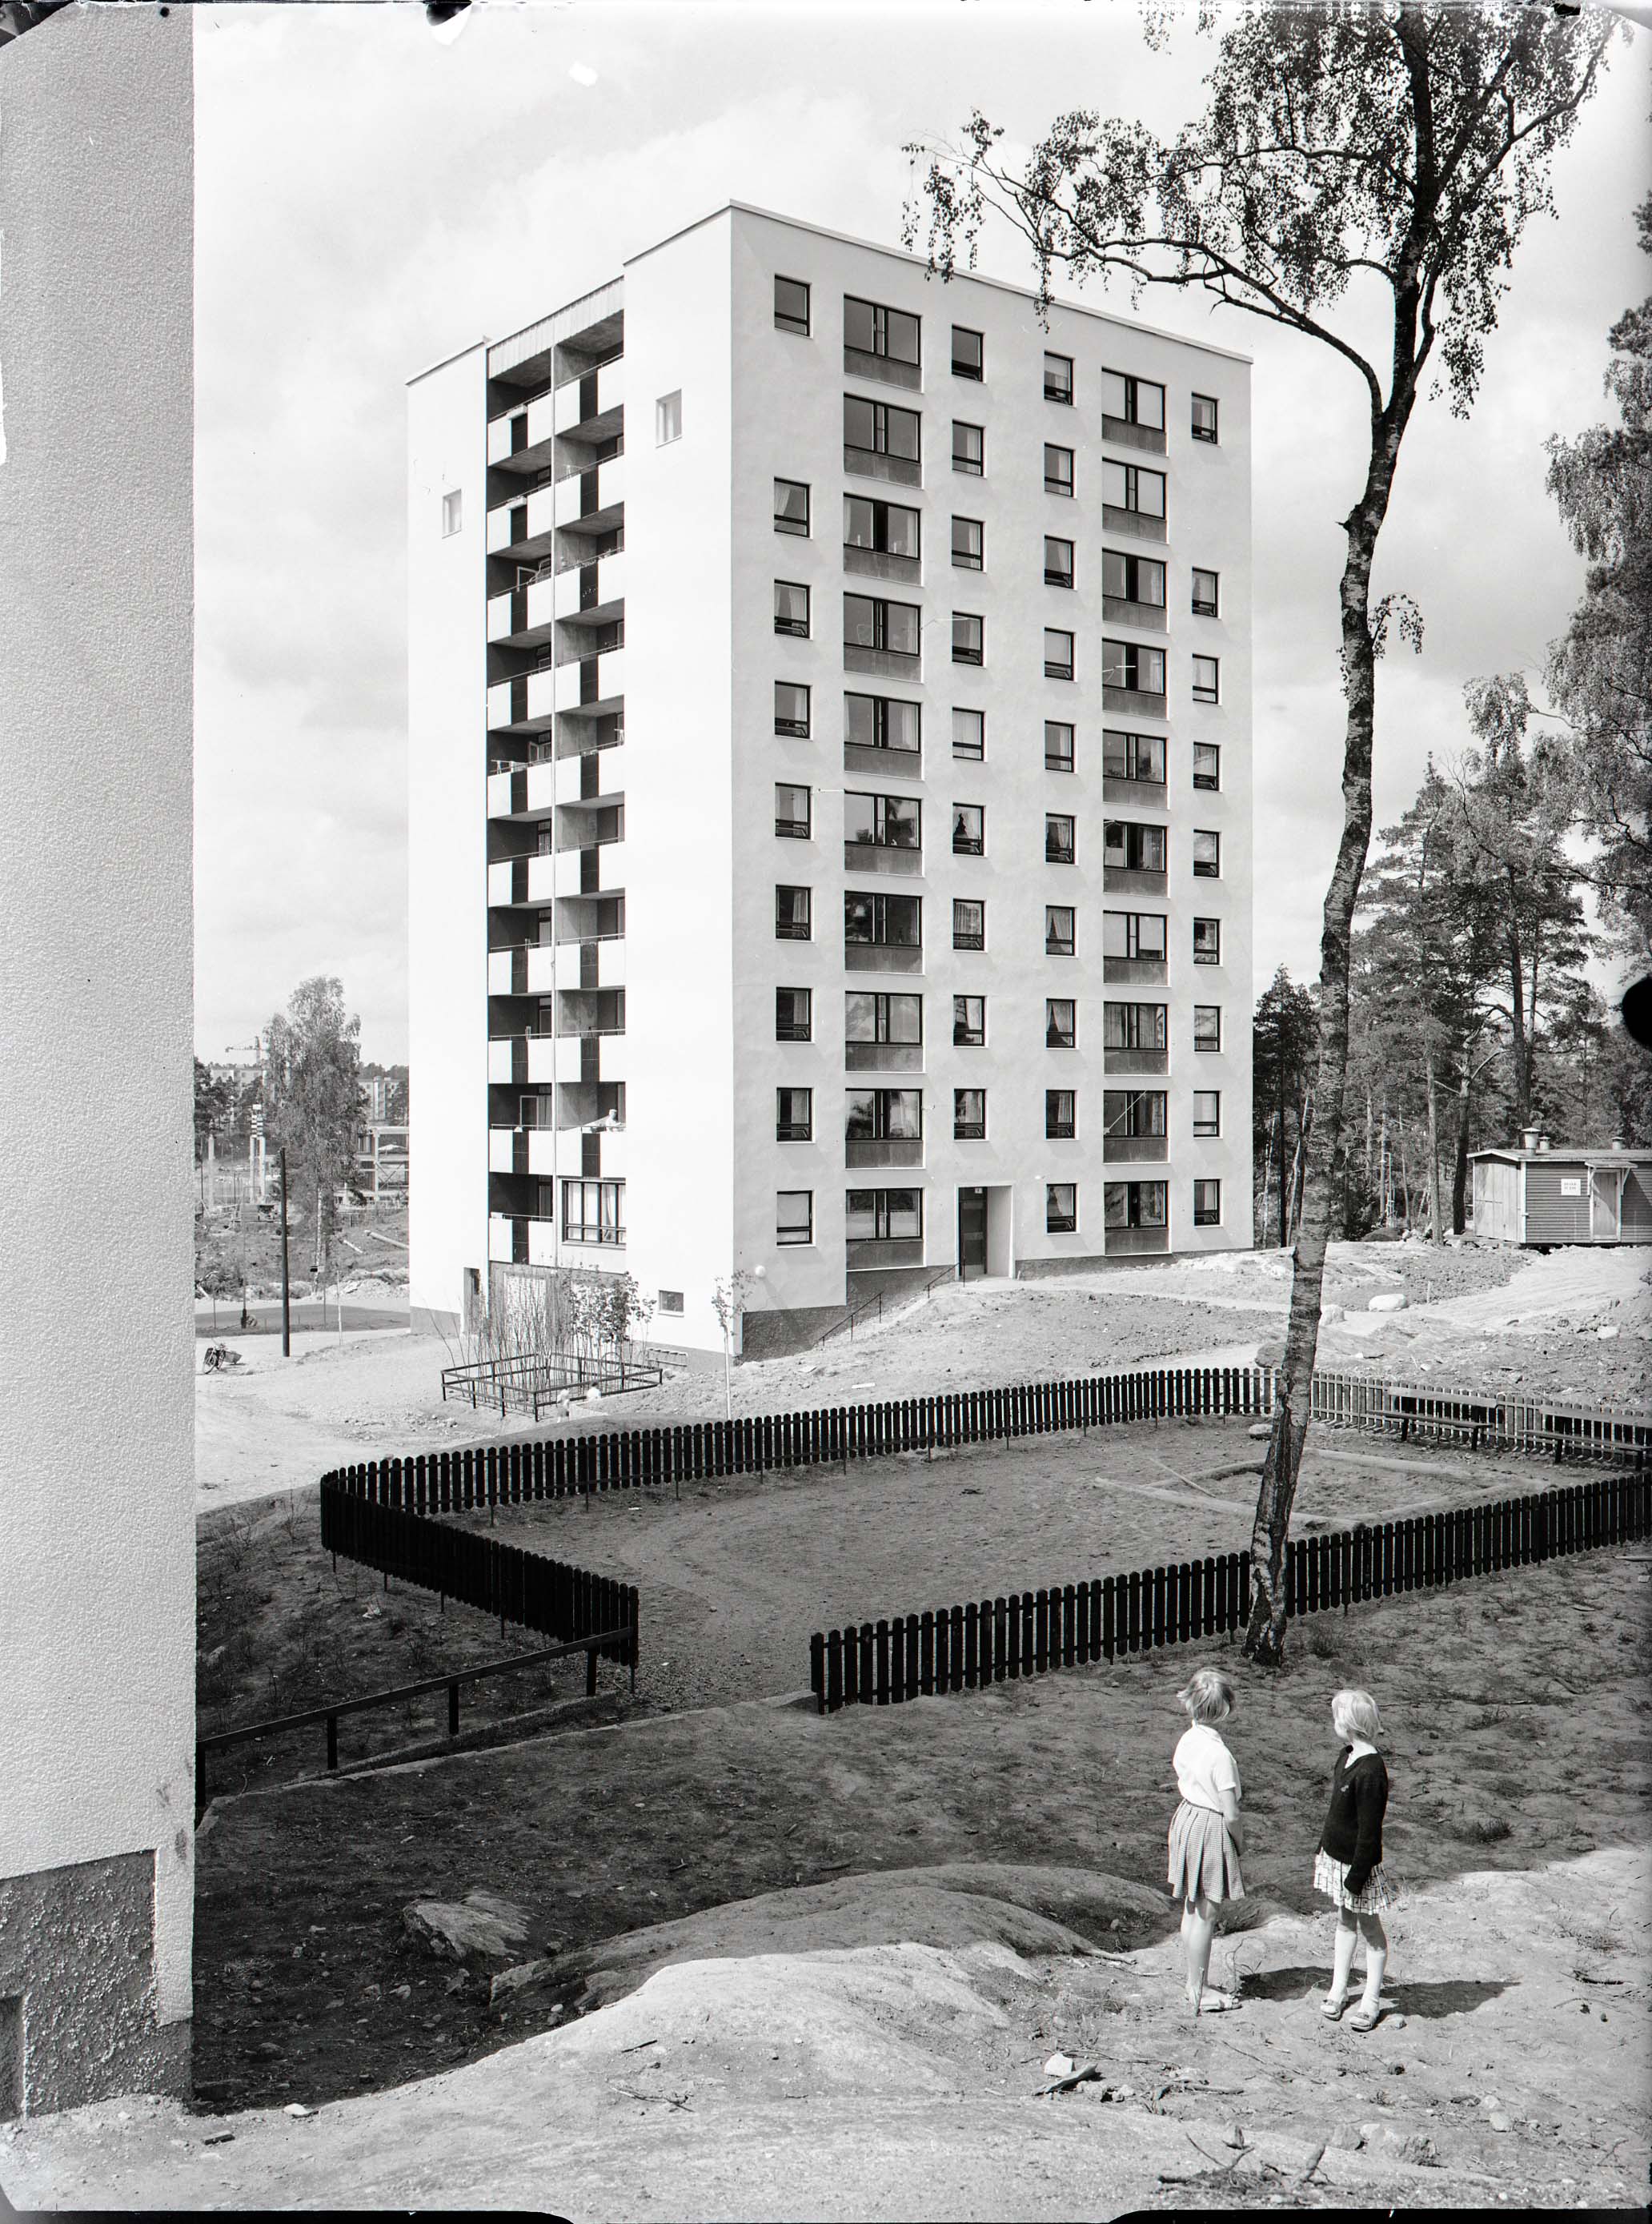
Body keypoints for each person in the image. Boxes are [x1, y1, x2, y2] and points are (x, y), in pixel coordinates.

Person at [1167, 1667, 1245, 2014]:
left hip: (1187, 1817)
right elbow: (1231, 1813)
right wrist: (1238, 1844)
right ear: (1226, 1710)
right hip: (1211, 1827)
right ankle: (1199, 1988)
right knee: (1207, 1913)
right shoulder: (1220, 1756)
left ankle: (1192, 1979)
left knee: (1190, 1904)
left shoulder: (1188, 1739)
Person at [1315, 1688, 1393, 2030]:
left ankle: (1372, 1999)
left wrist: (1357, 1876)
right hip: (1337, 1860)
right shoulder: (1345, 1757)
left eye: (1336, 1717)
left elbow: (1369, 1832)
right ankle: (1338, 1988)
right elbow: (1336, 1812)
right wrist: (1323, 1847)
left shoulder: (1371, 1771)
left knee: (1371, 1930)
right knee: (1344, 1923)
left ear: (1349, 1724)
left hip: (1359, 1868)